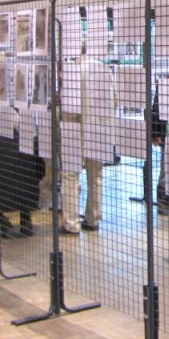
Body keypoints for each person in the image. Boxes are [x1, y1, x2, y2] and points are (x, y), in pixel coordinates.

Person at [61, 46, 115, 234]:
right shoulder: (104, 69)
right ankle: (93, 218)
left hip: (74, 127)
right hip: (99, 128)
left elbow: (67, 105)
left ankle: (71, 222)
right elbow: (112, 101)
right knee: (96, 175)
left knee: (70, 174)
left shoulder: (72, 70)